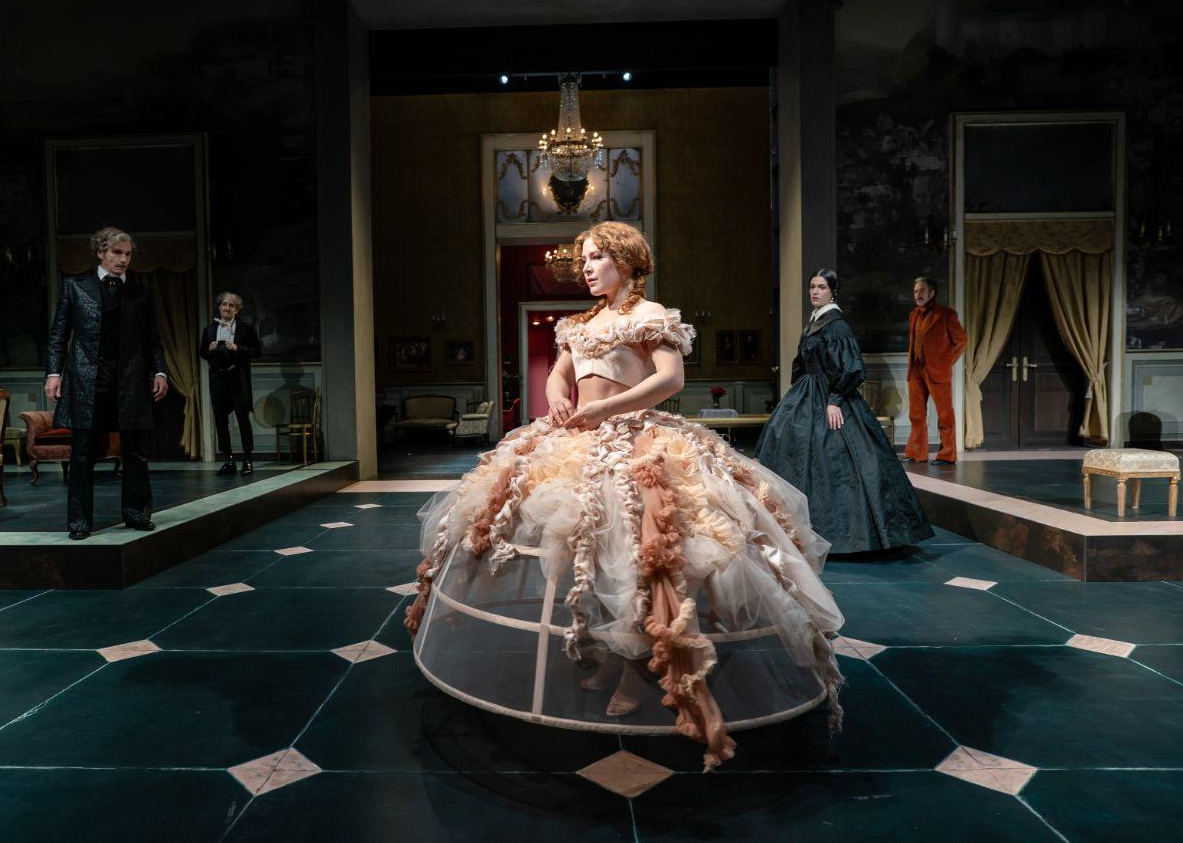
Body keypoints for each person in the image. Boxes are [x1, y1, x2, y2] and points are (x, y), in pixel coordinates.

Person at [403, 222, 844, 772]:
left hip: (635, 438)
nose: (585, 267)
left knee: (639, 553)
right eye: (584, 259)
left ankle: (635, 668)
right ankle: (612, 655)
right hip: (575, 438)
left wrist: (606, 410)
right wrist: (559, 400)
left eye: (596, 258)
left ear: (627, 261)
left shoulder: (650, 316)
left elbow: (669, 379)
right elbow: (558, 378)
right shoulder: (579, 323)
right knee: (582, 550)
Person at [757, 269, 933, 555]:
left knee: (838, 460)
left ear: (833, 291)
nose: (815, 292)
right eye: (812, 287)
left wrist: (835, 399)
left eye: (822, 287)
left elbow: (853, 368)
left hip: (828, 396)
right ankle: (791, 528)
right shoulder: (816, 321)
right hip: (806, 394)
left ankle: (847, 536)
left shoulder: (837, 325)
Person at [45, 227, 168, 540]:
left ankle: (137, 514)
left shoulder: (140, 293)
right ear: (101, 253)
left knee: (136, 452)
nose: (123, 259)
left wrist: (160, 372)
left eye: (127, 254)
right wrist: (53, 373)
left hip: (129, 381)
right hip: (88, 380)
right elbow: (59, 334)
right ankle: (79, 522)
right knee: (82, 453)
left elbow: (152, 339)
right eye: (117, 253)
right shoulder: (75, 286)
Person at [905, 276, 967, 464]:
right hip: (916, 370)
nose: (918, 295)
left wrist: (944, 361)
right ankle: (916, 453)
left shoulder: (946, 314)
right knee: (916, 414)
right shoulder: (913, 314)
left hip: (937, 370)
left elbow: (961, 341)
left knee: (944, 414)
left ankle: (947, 455)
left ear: (932, 293)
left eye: (922, 291)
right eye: (916, 291)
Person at [200, 291, 261, 475]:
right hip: (218, 379)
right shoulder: (209, 330)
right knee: (220, 420)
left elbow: (257, 351)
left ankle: (248, 460)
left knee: (242, 419)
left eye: (231, 306)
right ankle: (229, 460)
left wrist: (238, 348)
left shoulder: (245, 329)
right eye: (224, 304)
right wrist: (209, 349)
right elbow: (202, 353)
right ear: (219, 307)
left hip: (237, 377)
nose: (227, 308)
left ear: (237, 310)